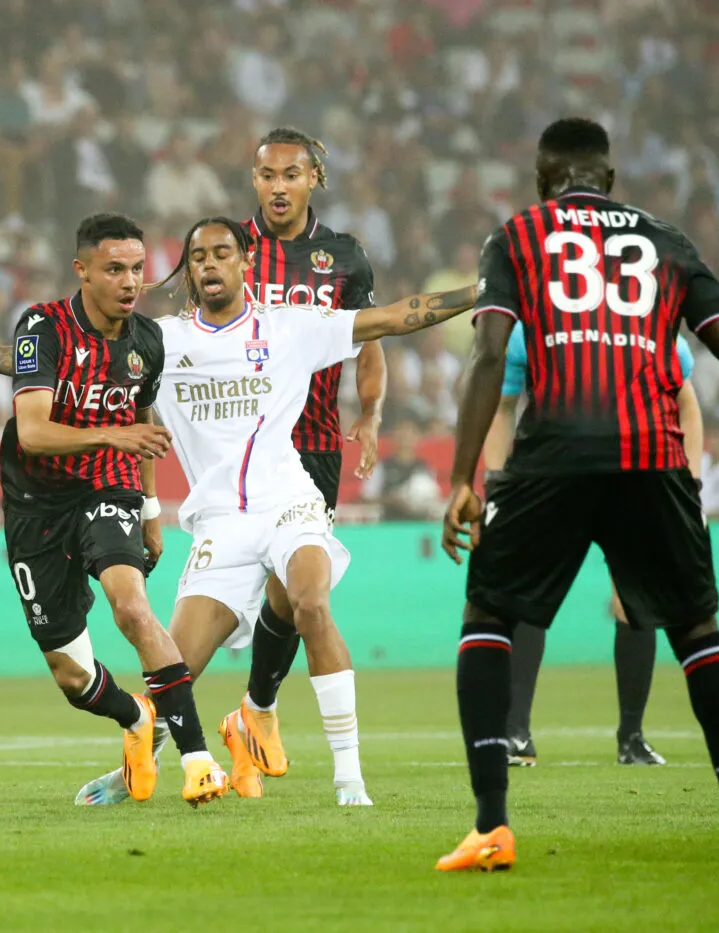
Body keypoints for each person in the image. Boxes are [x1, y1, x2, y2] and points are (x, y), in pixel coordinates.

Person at [0, 216, 476, 806]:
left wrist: (480, 291)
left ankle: (350, 782)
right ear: (188, 270)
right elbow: (51, 363)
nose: (210, 264)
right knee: (171, 677)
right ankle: (143, 766)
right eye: (198, 257)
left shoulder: (293, 327)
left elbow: (394, 317)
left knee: (311, 603)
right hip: (219, 525)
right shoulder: (162, 342)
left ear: (246, 262)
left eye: (221, 253)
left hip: (288, 501)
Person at [438, 118, 719, 873]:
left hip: (552, 456)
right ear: (607, 179)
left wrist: (461, 478)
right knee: (698, 631)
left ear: (543, 181)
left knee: (489, 615)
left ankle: (492, 826)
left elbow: (488, 354)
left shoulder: (516, 237)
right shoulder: (668, 242)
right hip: (651, 454)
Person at [0, 213, 231, 808]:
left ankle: (198, 761)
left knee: (132, 607)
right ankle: (137, 719)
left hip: (107, 487)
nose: (130, 281)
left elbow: (141, 420)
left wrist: (150, 508)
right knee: (72, 676)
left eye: (137, 269)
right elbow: (34, 432)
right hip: (35, 505)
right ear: (82, 271)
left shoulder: (147, 340)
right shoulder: (42, 326)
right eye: (114, 269)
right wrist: (112, 435)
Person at [221, 127, 389, 797]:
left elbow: (370, 343)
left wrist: (370, 412)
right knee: (258, 596)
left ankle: (254, 710)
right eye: (267, 175)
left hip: (313, 447)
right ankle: (226, 718)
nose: (278, 186)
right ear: (254, 179)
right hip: (240, 446)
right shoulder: (226, 248)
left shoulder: (344, 258)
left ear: (314, 177)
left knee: (292, 595)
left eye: (291, 174)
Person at [483, 321, 704, 767]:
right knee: (527, 595)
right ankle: (515, 733)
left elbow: (687, 405)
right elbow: (502, 406)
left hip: (633, 476)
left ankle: (631, 738)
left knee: (633, 600)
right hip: (553, 476)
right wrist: (494, 484)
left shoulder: (652, 328)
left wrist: (691, 483)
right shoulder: (531, 330)